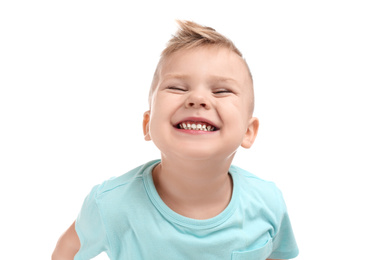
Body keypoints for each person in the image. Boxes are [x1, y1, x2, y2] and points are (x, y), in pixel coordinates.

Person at [52, 20, 299, 260]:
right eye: (177, 88)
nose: (198, 98)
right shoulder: (111, 205)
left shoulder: (267, 202)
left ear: (248, 131)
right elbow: (67, 252)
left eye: (221, 90)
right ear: (148, 124)